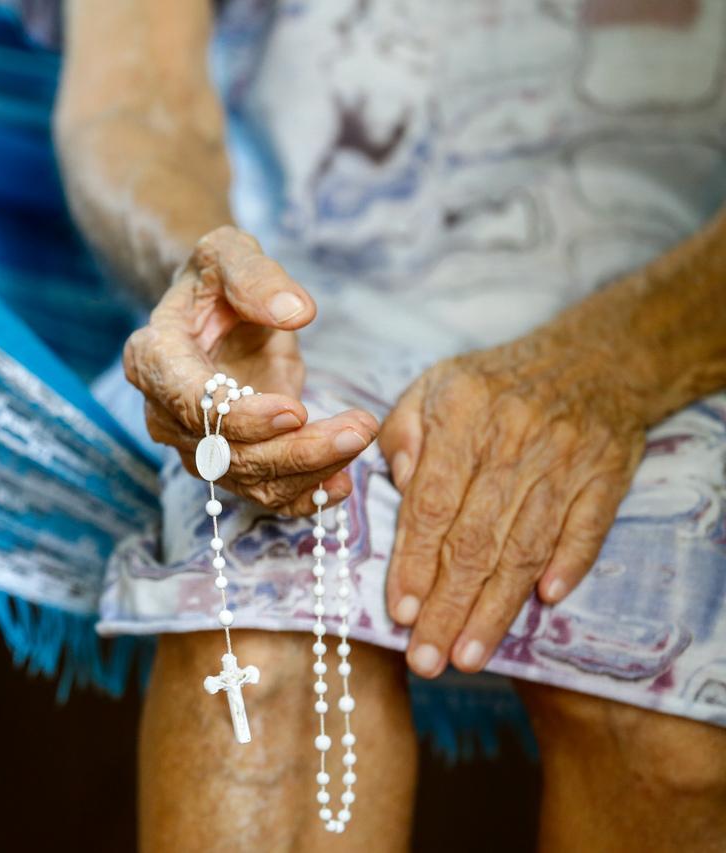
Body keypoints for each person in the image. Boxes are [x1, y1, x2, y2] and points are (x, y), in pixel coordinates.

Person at [53, 1, 726, 849]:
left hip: (695, 321)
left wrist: (616, 363)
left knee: (669, 714)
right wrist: (209, 278)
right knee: (261, 643)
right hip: (319, 304)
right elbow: (135, 101)